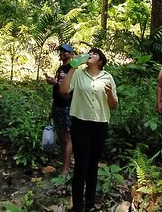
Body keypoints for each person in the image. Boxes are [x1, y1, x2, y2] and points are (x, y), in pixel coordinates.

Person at [60, 47, 117, 212]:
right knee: (81, 165)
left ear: (100, 60)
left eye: (94, 54)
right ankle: (77, 206)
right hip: (80, 123)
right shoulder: (78, 74)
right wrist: (73, 67)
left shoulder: (108, 77)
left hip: (100, 125)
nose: (90, 55)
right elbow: (64, 90)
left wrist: (109, 95)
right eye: (89, 53)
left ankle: (90, 204)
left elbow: (113, 106)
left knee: (93, 165)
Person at [44, 43, 74, 176]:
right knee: (62, 137)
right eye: (61, 51)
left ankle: (66, 169)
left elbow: (66, 91)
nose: (62, 53)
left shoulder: (72, 69)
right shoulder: (60, 68)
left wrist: (55, 83)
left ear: (71, 54)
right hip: (58, 106)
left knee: (67, 138)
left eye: (65, 52)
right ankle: (65, 163)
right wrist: (52, 108)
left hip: (67, 107)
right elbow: (57, 90)